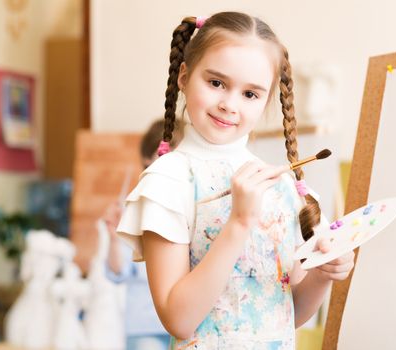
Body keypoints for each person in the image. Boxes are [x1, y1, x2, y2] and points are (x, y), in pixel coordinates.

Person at [117, 12, 355, 349]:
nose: (229, 104)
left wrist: (321, 274)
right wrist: (239, 222)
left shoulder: (281, 187)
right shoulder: (167, 182)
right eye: (216, 83)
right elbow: (179, 320)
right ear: (184, 77)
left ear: (267, 100)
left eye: (250, 94)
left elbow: (291, 313)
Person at [102, 119, 183, 350]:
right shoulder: (133, 209)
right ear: (147, 159)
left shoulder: (192, 209)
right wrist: (112, 235)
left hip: (188, 324)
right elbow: (117, 272)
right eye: (165, 156)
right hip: (144, 328)